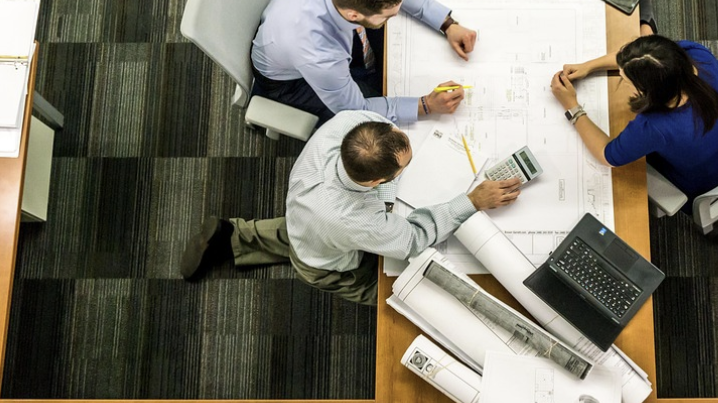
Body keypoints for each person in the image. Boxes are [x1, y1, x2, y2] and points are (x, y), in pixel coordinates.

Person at [180, 110, 521, 305]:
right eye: (403, 168)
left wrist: (387, 192)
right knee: (393, 292)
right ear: (376, 181)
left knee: (302, 231)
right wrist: (471, 201)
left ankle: (232, 235)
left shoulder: (350, 124)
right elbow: (413, 239)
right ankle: (242, 242)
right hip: (325, 262)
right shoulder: (354, 219)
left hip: (305, 215)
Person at [549, 0, 718, 227]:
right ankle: (647, 28)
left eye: (626, 80)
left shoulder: (654, 127)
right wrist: (589, 66)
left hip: (714, 179)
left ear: (648, 93)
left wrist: (572, 106)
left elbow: (607, 155)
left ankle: (646, 26)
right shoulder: (696, 55)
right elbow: (651, 58)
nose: (622, 80)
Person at [251, 0, 478, 125]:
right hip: (288, 81)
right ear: (353, 14)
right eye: (388, 16)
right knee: (374, 114)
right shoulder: (319, 54)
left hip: (290, 27)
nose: (395, 17)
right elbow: (356, 110)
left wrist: (447, 23)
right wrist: (426, 105)